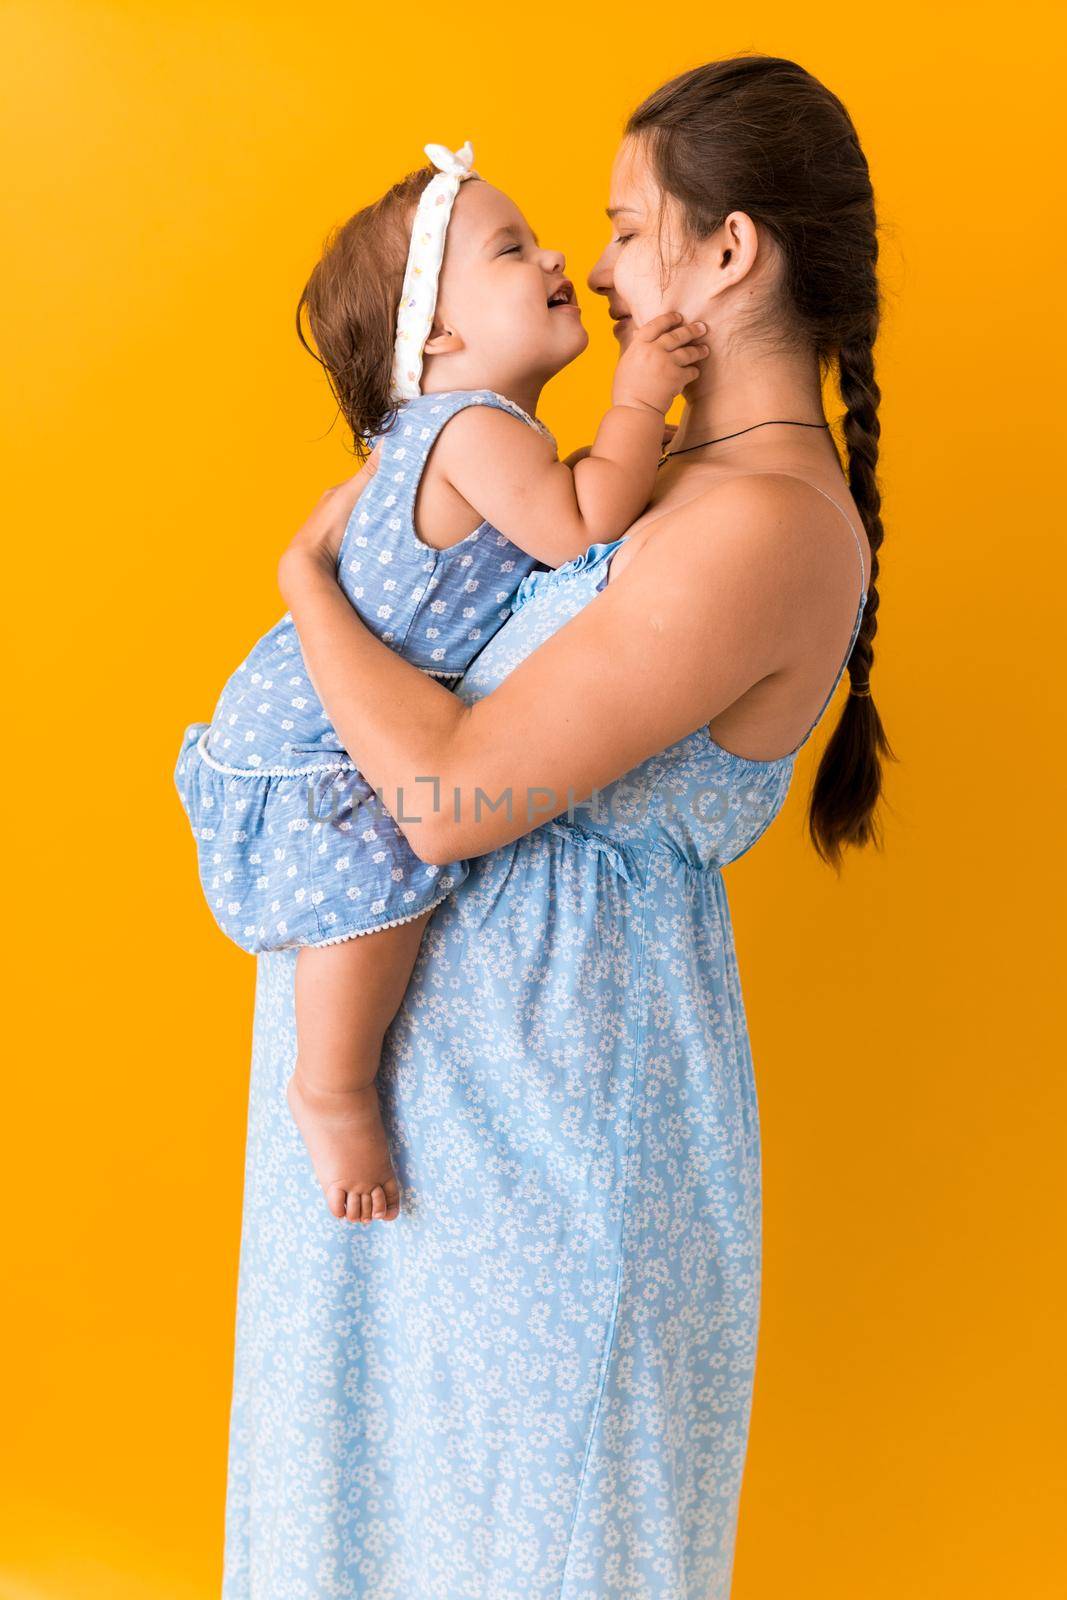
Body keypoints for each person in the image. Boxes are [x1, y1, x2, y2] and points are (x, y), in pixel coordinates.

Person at [221, 54, 894, 1600]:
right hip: (441, 1125)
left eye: (621, 225)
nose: (588, 268)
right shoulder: (656, 481)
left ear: (728, 256)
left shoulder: (760, 526)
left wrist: (308, 591)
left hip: (550, 1137)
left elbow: (449, 802)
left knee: (535, 1547)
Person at [173, 141, 707, 1226]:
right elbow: (579, 526)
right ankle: (329, 1086)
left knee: (371, 890)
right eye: (511, 249)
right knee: (368, 897)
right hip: (317, 737)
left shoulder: (443, 432)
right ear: (441, 336)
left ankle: (331, 1079)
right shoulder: (472, 430)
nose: (558, 253)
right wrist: (640, 397)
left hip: (307, 706)